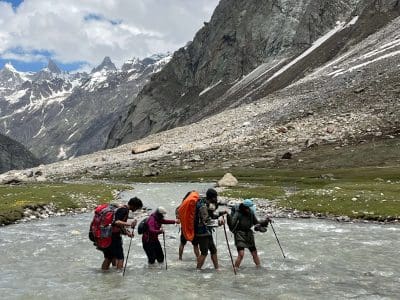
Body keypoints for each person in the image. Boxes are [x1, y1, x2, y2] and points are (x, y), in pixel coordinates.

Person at [101, 196, 143, 271]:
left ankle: (103, 274)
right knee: (120, 257)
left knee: (109, 257)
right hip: (114, 236)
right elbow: (117, 222)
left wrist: (127, 233)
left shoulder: (122, 208)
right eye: (137, 207)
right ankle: (119, 277)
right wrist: (130, 224)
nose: (136, 209)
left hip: (107, 235)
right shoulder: (124, 210)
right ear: (134, 205)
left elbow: (119, 224)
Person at [227, 199, 271, 269]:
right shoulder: (238, 214)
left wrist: (266, 221)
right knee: (241, 254)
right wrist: (228, 217)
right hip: (239, 235)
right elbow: (232, 224)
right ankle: (235, 269)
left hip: (249, 235)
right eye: (248, 208)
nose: (249, 209)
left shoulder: (251, 213)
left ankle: (259, 268)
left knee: (254, 253)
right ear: (244, 208)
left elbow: (256, 222)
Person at [195, 188, 226, 270]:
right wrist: (218, 223)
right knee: (204, 252)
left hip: (207, 232)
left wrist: (220, 214)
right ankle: (197, 270)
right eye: (215, 197)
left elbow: (211, 216)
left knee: (213, 250)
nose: (216, 199)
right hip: (202, 233)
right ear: (211, 197)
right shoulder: (203, 207)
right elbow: (207, 221)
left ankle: (217, 268)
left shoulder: (207, 204)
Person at [176, 192, 200, 260]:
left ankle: (180, 258)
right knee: (195, 245)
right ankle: (198, 258)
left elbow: (178, 211)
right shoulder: (195, 204)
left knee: (182, 243)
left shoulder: (183, 204)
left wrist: (178, 218)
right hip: (193, 227)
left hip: (184, 227)